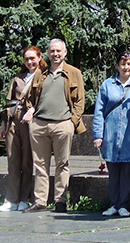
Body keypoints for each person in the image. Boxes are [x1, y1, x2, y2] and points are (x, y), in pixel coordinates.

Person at [21, 39, 86, 214]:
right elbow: (30, 97)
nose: (55, 54)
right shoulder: (40, 73)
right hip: (39, 125)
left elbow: (80, 100)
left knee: (62, 164)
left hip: (63, 124)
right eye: (52, 51)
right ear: (48, 53)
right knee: (40, 165)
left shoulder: (74, 73)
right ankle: (40, 202)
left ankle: (60, 201)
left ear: (65, 52)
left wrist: (72, 122)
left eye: (58, 51)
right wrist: (31, 113)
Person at [92, 49, 130, 218]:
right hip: (110, 135)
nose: (126, 67)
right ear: (117, 65)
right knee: (113, 173)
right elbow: (99, 111)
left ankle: (123, 205)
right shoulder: (107, 85)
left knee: (127, 172)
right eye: (123, 64)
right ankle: (113, 204)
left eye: (129, 64)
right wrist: (98, 135)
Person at [0, 45, 42, 212]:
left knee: (27, 161)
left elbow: (44, 100)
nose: (30, 62)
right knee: (13, 160)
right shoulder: (18, 78)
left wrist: (33, 111)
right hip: (13, 121)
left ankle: (24, 198)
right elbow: (8, 102)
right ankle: (11, 199)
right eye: (27, 59)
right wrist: (3, 124)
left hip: (31, 122)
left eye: (32, 58)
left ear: (39, 58)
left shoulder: (44, 77)